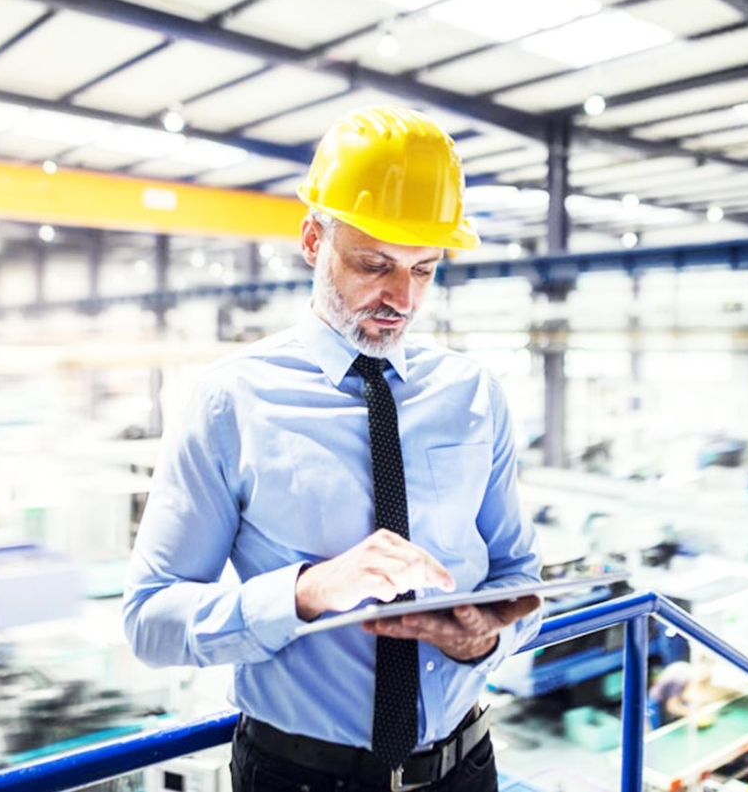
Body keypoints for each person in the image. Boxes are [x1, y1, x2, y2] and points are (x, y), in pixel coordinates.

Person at [123, 105, 544, 792]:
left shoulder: (473, 393)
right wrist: (305, 593)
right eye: (374, 263)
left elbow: (519, 572)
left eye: (425, 269)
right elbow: (150, 619)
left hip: (463, 767)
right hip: (302, 777)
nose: (400, 298)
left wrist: (487, 635)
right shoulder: (231, 400)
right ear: (313, 239)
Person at [649, 657, 732, 727]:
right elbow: (672, 707)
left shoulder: (687, 669)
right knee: (662, 730)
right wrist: (695, 716)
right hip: (656, 703)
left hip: (667, 695)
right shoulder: (679, 680)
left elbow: (688, 694)